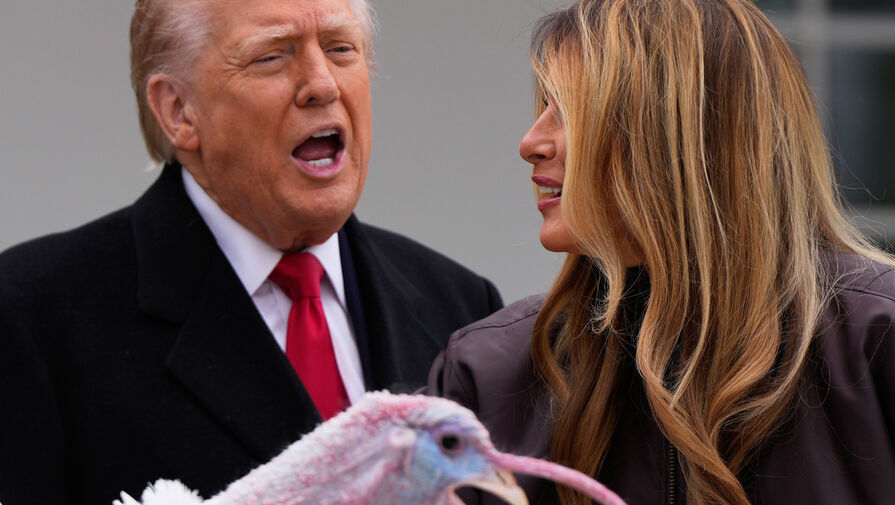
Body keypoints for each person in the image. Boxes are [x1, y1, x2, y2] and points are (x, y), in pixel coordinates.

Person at [0, 0, 503, 504]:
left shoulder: (463, 308)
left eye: (340, 49)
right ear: (178, 111)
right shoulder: (31, 317)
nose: (323, 84)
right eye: (271, 57)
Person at [429, 0, 895, 504]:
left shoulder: (879, 338)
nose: (531, 142)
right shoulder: (488, 372)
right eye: (543, 105)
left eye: (571, 110)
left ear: (685, 134)